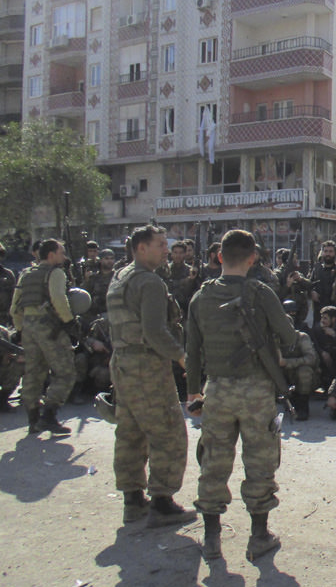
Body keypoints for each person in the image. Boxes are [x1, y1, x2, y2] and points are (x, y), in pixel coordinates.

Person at [186, 229, 298, 561]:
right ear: (253, 259)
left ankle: (211, 539)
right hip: (257, 390)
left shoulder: (200, 298)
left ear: (220, 257)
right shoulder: (262, 292)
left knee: (213, 463)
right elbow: (289, 337)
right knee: (260, 462)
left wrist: (194, 393)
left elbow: (192, 353)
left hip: (216, 390)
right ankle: (259, 537)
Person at [106, 226, 195, 527]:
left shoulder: (120, 278)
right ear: (141, 248)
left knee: (130, 431)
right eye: (160, 245)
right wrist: (182, 358)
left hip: (122, 363)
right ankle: (162, 502)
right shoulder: (149, 282)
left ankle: (133, 501)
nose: (166, 251)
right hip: (147, 367)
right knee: (167, 431)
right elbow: (155, 332)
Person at [10, 238, 78, 435]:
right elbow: (58, 298)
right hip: (49, 327)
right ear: (51, 255)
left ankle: (33, 419)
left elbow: (15, 307)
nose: (64, 257)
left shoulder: (26, 274)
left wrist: (20, 329)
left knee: (34, 372)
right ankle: (49, 415)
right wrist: (69, 321)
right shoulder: (55, 273)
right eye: (61, 253)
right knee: (66, 371)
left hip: (29, 327)